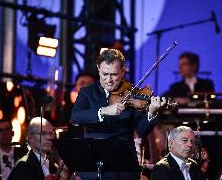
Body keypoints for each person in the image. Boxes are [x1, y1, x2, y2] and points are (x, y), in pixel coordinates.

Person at [71, 48, 168, 180]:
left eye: (114, 75)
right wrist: (104, 110)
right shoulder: (87, 92)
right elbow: (75, 117)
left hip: (123, 169)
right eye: (104, 74)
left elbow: (142, 131)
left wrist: (151, 113)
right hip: (93, 167)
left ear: (123, 71)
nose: (109, 80)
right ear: (98, 69)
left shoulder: (133, 94)